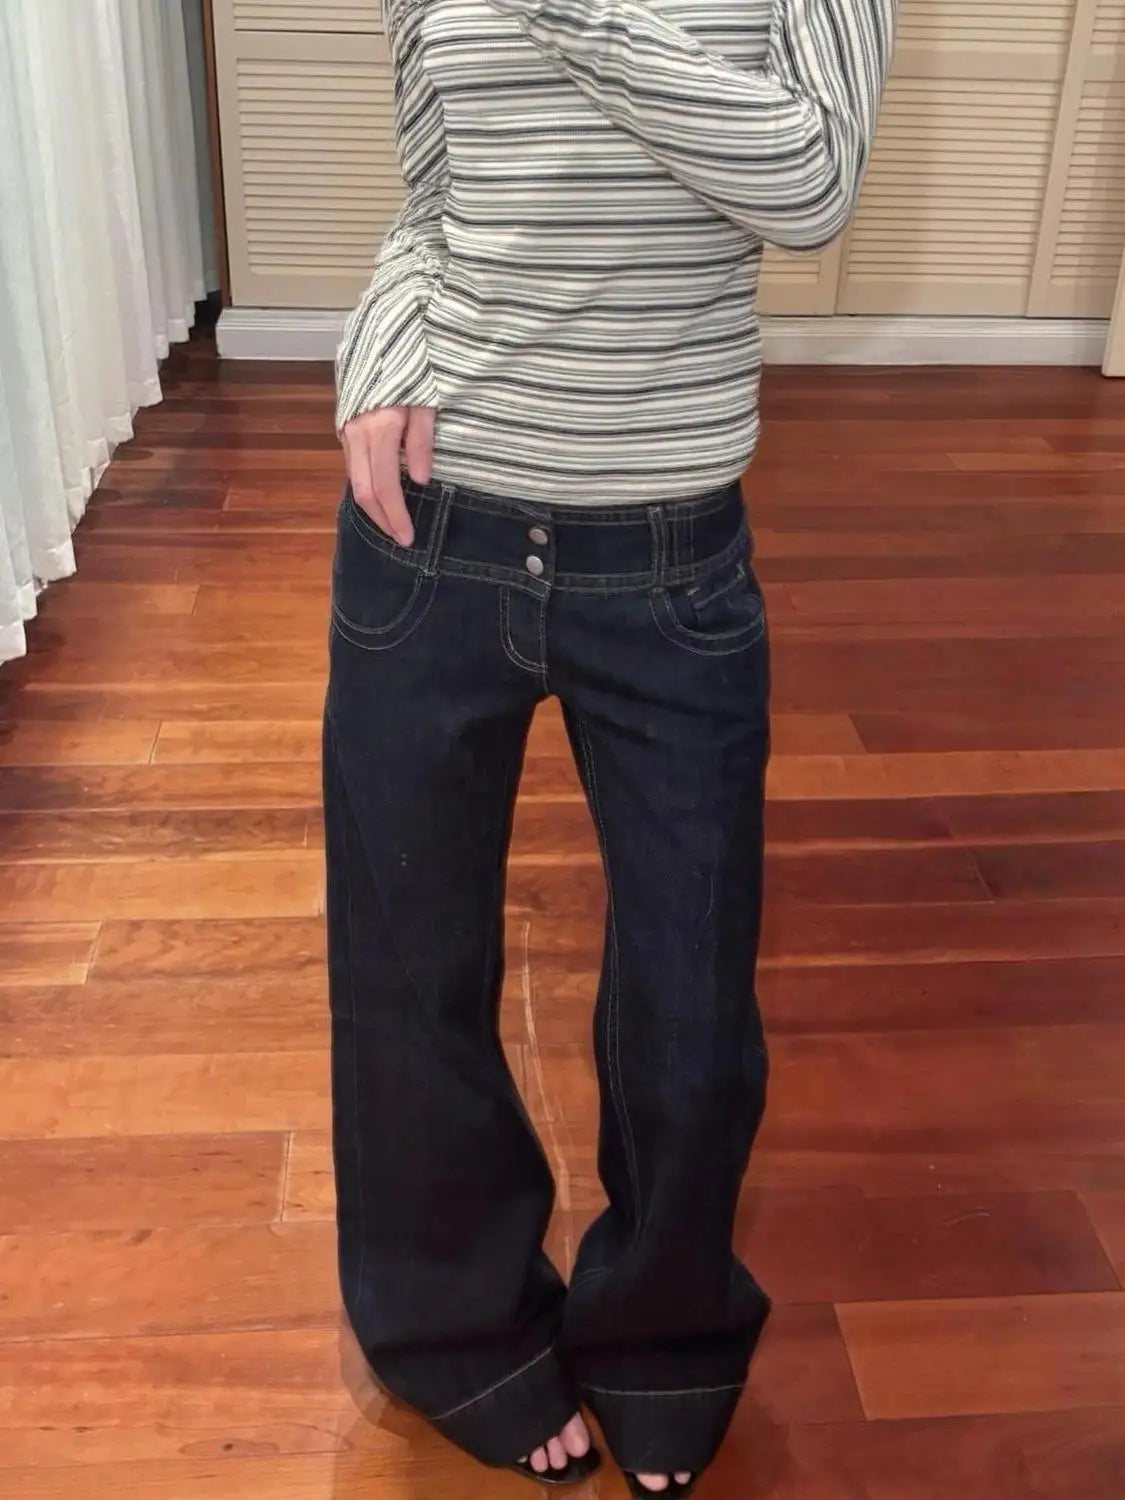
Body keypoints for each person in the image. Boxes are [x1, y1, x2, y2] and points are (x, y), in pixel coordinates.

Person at [324, 1, 895, 1493]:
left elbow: (811, 182)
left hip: (667, 568)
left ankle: (663, 1337)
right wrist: (374, 356)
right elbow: (431, 196)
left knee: (688, 1002)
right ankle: (453, 1327)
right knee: (405, 977)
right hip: (428, 534)